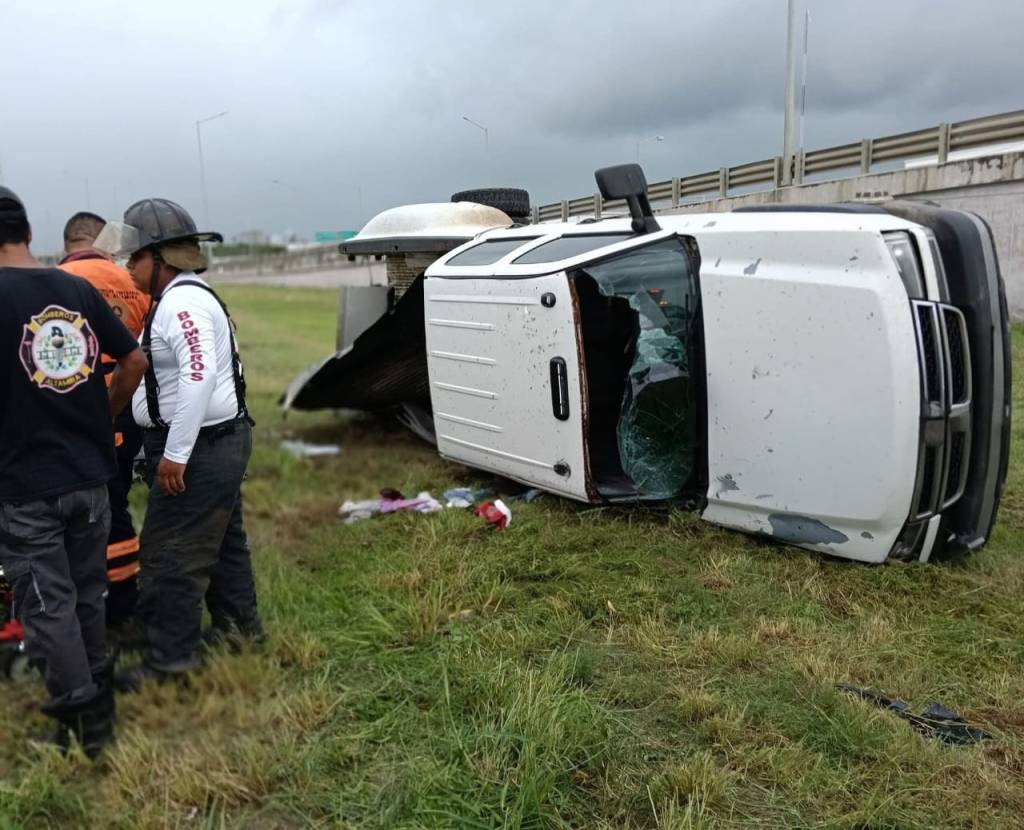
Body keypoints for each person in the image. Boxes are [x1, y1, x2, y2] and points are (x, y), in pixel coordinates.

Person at [0, 187, 147, 756]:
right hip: (91, 473)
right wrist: (101, 414)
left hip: (25, 486)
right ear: (29, 234)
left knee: (45, 604)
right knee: (87, 594)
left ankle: (84, 725)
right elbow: (132, 358)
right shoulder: (75, 287)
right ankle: (99, 696)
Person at [93, 199, 263, 687]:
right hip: (217, 442)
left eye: (134, 258)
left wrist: (176, 453)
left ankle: (168, 662)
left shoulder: (183, 302)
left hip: (202, 447)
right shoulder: (180, 298)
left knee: (170, 557)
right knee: (226, 547)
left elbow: (198, 376)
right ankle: (239, 634)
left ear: (161, 258)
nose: (128, 268)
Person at [59, 212, 150, 628]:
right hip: (128, 403)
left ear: (68, 243)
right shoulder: (131, 281)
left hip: (78, 409)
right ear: (103, 241)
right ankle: (124, 597)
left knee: (82, 508)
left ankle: (90, 599)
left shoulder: (57, 283)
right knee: (117, 499)